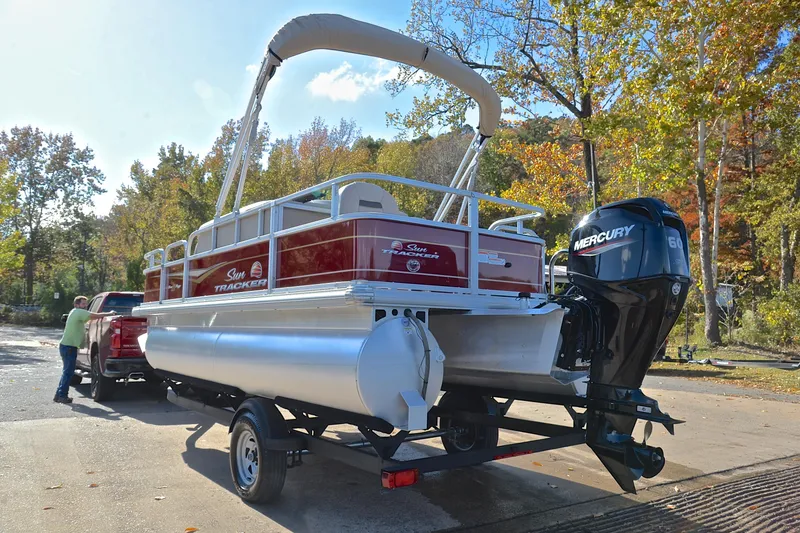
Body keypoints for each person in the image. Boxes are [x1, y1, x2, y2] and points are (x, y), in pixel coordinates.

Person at [54, 296, 116, 404]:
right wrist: (110, 313)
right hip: (68, 347)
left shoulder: (76, 312)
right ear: (76, 305)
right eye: (83, 304)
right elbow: (94, 316)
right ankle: (62, 396)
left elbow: (90, 319)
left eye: (86, 304)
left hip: (66, 346)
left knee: (67, 372)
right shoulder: (78, 312)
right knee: (68, 373)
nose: (85, 306)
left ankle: (59, 395)